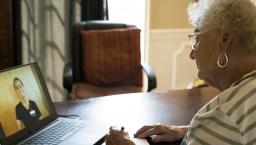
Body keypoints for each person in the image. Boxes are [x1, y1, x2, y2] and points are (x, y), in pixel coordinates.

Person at [106, 0, 256, 144]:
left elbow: (228, 126)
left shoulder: (224, 116)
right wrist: (188, 131)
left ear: (225, 39)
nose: (192, 54)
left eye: (197, 39)